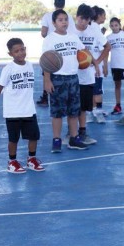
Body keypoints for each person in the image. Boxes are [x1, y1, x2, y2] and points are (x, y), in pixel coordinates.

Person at [0, 38, 45, 173]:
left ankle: (31, 159)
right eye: (16, 51)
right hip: (13, 111)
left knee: (34, 136)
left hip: (28, 109)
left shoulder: (30, 65)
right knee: (13, 139)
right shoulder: (8, 69)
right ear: (10, 54)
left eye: (22, 49)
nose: (20, 53)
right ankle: (12, 161)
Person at [42, 9, 88, 152]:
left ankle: (74, 139)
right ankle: (56, 140)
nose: (64, 22)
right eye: (60, 20)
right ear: (54, 23)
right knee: (57, 113)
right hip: (57, 79)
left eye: (66, 19)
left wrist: (93, 62)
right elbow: (46, 61)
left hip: (73, 78)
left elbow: (84, 51)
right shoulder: (50, 39)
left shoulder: (73, 37)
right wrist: (47, 80)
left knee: (74, 111)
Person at [68, 4, 109, 140]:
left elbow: (107, 47)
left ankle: (82, 132)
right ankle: (71, 133)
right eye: (82, 19)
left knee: (84, 107)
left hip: (88, 76)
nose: (84, 22)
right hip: (71, 75)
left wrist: (97, 62)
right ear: (77, 17)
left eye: (87, 19)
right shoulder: (69, 31)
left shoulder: (94, 30)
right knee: (72, 107)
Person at [37, 0, 70, 107]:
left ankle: (46, 97)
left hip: (52, 49)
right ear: (64, 4)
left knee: (47, 71)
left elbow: (43, 33)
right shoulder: (68, 16)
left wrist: (50, 36)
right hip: (66, 48)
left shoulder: (47, 16)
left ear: (54, 3)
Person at [107, 17, 124, 115]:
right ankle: (118, 105)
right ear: (110, 26)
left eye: (116, 25)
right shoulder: (108, 38)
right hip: (115, 65)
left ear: (119, 26)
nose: (114, 27)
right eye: (112, 26)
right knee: (117, 86)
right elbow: (106, 51)